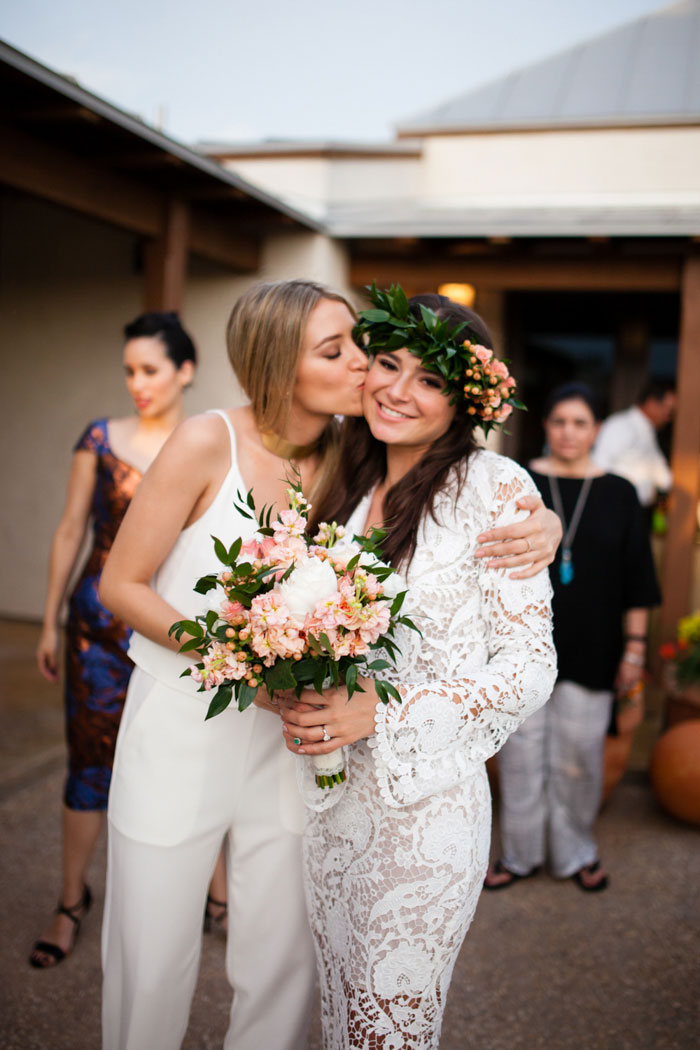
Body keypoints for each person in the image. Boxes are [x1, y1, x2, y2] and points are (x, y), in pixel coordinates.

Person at [98, 279, 561, 1050]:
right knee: (162, 962)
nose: (369, 371)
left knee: (299, 982)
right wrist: (244, 656)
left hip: (345, 777)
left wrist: (542, 518)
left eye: (365, 347)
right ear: (280, 363)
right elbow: (122, 581)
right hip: (240, 743)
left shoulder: (394, 468)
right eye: (348, 352)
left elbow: (518, 635)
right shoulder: (291, 457)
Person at [279, 289, 558, 1050]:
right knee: (339, 1015)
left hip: (426, 815)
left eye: (429, 379)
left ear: (465, 399)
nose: (398, 390)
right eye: (389, 365)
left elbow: (531, 668)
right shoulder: (344, 486)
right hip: (331, 808)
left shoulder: (496, 490)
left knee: (391, 1031)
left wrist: (386, 711)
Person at [29, 312, 196, 969]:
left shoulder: (206, 442)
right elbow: (70, 530)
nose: (137, 383)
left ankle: (207, 893)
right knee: (89, 762)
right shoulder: (99, 439)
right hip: (96, 629)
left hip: (177, 631)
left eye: (150, 370)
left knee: (184, 761)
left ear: (185, 371)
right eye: (129, 371)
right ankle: (70, 901)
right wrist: (46, 619)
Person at [485, 382, 661, 895]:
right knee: (520, 755)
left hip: (595, 646)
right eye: (559, 421)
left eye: (580, 423)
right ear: (546, 426)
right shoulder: (520, 484)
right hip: (521, 644)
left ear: (598, 429)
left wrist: (634, 649)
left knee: (580, 758)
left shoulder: (621, 492)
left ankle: (576, 850)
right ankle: (519, 854)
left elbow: (638, 578)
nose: (568, 432)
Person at [592, 378, 675, 508]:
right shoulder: (621, 425)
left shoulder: (648, 431)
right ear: (652, 403)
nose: (669, 417)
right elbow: (600, 464)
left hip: (637, 509)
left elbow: (662, 475)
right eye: (668, 410)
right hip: (615, 506)